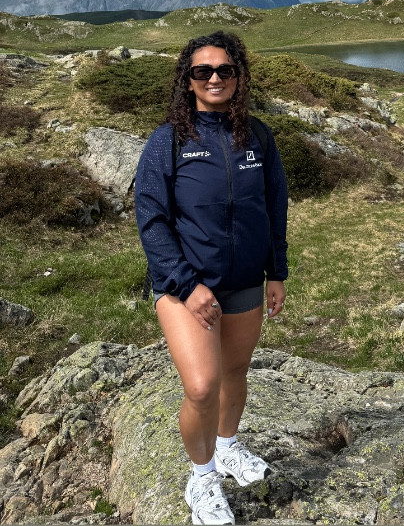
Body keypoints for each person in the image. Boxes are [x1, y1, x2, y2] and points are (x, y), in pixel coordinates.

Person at [134, 30, 288, 525]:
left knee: (235, 373)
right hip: (184, 288)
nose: (215, 78)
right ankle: (201, 478)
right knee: (202, 386)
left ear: (238, 77)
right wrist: (186, 284)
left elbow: (274, 207)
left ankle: (227, 447)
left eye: (225, 69)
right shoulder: (169, 140)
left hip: (245, 282)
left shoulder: (257, 135)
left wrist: (276, 272)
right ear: (189, 80)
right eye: (203, 71)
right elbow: (151, 220)